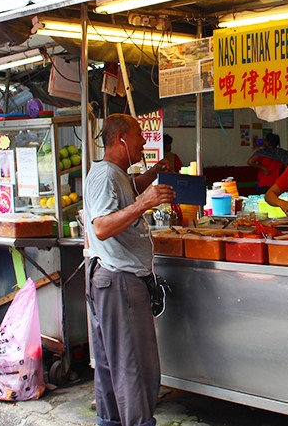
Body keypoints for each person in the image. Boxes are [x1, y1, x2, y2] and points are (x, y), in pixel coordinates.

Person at [84, 114, 175, 426]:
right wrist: (143, 204)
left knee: (113, 363)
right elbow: (101, 226)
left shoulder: (117, 174)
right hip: (120, 281)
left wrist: (151, 176)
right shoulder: (105, 176)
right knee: (134, 364)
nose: (144, 141)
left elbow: (127, 192)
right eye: (139, 135)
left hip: (111, 280)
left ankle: (109, 421)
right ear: (121, 138)